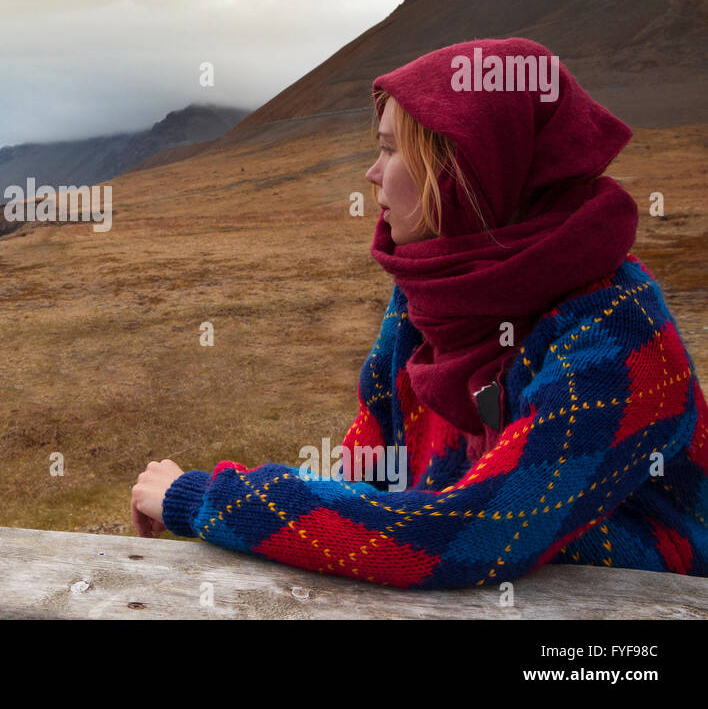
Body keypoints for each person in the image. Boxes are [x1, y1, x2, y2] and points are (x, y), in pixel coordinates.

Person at [131, 37, 707, 589]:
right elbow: (370, 472)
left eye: (388, 149)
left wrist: (203, 499)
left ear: (464, 171)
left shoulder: (620, 332)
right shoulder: (429, 294)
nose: (371, 173)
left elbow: (471, 535)